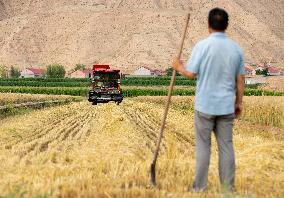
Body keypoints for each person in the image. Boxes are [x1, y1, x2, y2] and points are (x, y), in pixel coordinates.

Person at [172, 7, 245, 191]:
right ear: (226, 25)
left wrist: (178, 66)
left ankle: (199, 188)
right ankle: (228, 189)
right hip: (226, 106)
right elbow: (240, 79)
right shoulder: (236, 49)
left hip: (204, 106)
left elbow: (190, 72)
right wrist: (238, 102)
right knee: (226, 147)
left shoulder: (202, 46)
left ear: (208, 25)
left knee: (203, 147)